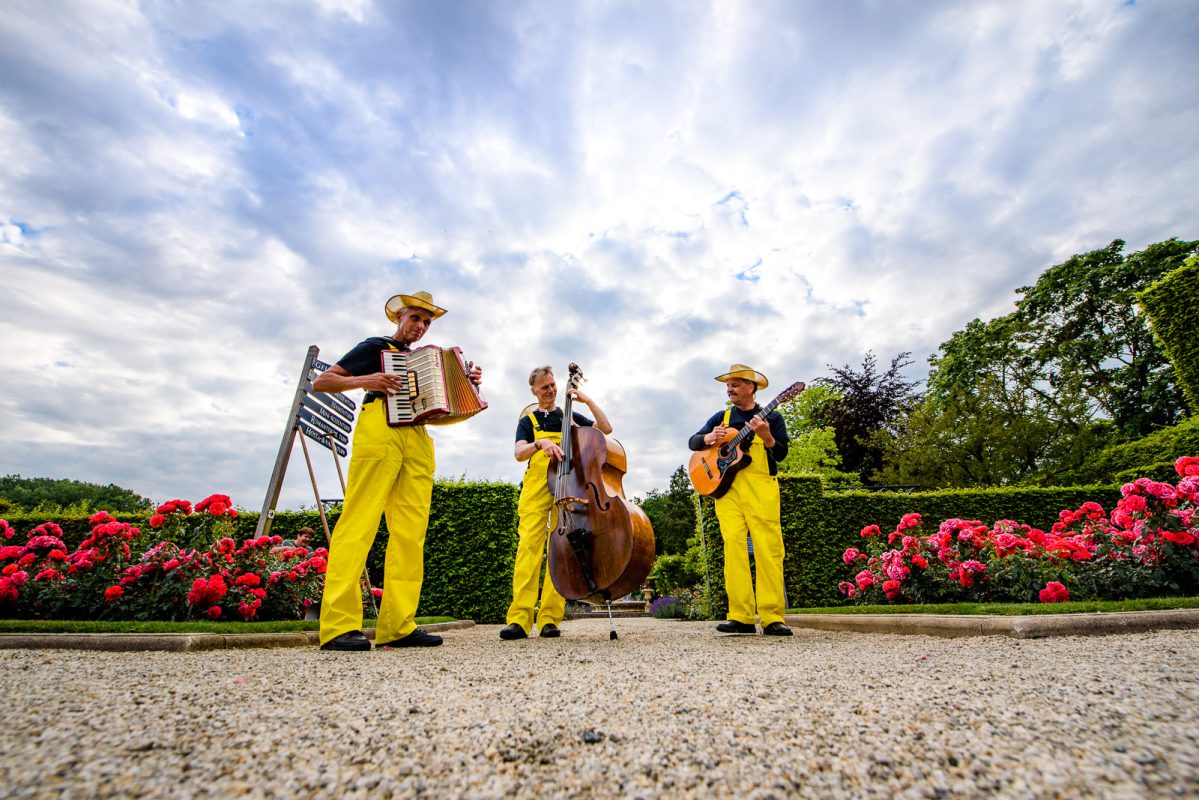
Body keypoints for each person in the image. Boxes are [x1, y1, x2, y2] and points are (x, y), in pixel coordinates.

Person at [312, 291, 483, 651]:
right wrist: (366, 381)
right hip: (379, 429)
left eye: (426, 322)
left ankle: (398, 626)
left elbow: (444, 413)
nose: (419, 327)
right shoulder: (376, 346)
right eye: (414, 319)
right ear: (399, 318)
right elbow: (322, 383)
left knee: (410, 533)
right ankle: (338, 626)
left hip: (417, 437)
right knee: (359, 522)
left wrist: (467, 387)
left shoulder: (426, 361)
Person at [500, 365, 613, 640]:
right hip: (537, 485)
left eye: (552, 385)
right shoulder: (528, 421)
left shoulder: (569, 416)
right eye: (544, 387)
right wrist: (539, 444)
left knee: (561, 549)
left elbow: (605, 429)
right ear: (534, 391)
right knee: (529, 548)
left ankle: (551, 618)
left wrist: (586, 401)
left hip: (567, 483)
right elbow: (518, 452)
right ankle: (519, 619)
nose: (550, 390)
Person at [688, 364, 793, 636]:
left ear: (751, 387)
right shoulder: (721, 416)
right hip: (727, 492)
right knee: (733, 549)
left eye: (735, 384)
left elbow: (780, 454)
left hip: (761, 488)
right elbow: (693, 442)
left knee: (768, 550)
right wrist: (710, 437)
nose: (729, 388)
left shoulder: (775, 418)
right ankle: (741, 616)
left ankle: (772, 617)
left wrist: (766, 435)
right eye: (728, 384)